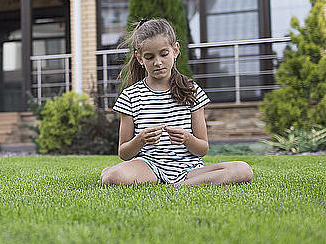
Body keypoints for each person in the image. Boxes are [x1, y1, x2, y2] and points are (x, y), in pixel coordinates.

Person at [100, 18, 253, 186]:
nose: (158, 62)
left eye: (164, 54)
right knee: (113, 178)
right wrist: (140, 140)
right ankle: (186, 184)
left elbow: (202, 148)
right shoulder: (130, 96)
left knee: (243, 170)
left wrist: (187, 138)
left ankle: (178, 186)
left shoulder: (192, 90)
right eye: (149, 57)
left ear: (175, 50)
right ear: (139, 58)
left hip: (190, 171)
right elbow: (124, 152)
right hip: (149, 168)